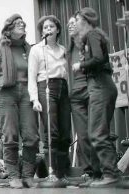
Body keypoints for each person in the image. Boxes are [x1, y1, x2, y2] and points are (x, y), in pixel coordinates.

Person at [0, 14, 39, 188]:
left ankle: (28, 175)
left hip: (27, 93)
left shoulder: (28, 49)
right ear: (8, 29)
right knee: (10, 136)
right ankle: (13, 175)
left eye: (23, 23)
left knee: (31, 136)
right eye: (17, 23)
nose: (22, 24)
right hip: (6, 94)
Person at [73, 7, 119, 187]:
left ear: (85, 20)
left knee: (98, 133)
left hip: (100, 85)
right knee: (96, 132)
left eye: (77, 19)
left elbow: (99, 58)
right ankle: (102, 175)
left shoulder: (92, 35)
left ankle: (110, 174)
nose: (75, 22)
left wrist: (80, 65)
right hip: (100, 86)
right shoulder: (92, 36)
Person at [28, 15, 72, 182]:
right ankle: (52, 172)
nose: (48, 30)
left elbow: (66, 73)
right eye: (45, 28)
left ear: (58, 29)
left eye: (51, 27)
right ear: (42, 32)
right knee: (51, 131)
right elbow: (31, 75)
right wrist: (34, 99)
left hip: (63, 87)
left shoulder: (63, 49)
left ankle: (62, 173)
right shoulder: (37, 50)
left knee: (65, 131)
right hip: (45, 87)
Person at [67, 15, 102, 187]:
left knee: (94, 132)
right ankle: (89, 172)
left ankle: (99, 171)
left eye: (73, 23)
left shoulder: (88, 42)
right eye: (68, 25)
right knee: (82, 135)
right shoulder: (68, 49)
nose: (70, 26)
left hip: (91, 91)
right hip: (75, 96)